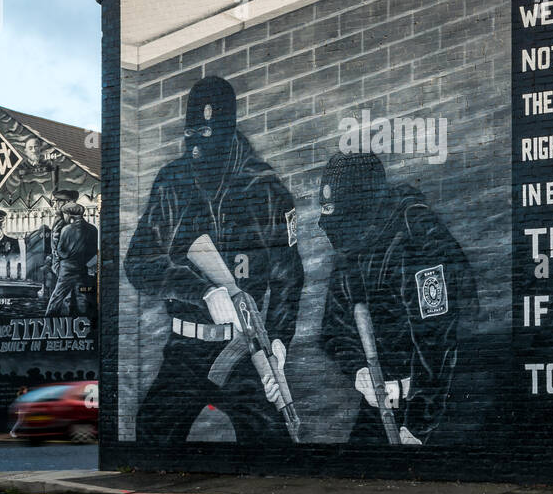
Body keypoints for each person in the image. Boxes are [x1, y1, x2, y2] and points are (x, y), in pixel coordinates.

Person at [125, 75, 303, 446]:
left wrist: (279, 341)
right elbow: (139, 263)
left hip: (243, 345)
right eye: (190, 134)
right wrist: (204, 292)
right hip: (185, 349)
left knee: (273, 440)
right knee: (151, 434)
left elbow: (288, 277)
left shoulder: (265, 189)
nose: (195, 147)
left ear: (227, 129)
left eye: (205, 135)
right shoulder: (172, 182)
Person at [316, 151, 475, 446]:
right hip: (384, 396)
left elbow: (438, 342)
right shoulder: (353, 246)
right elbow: (333, 329)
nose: (332, 231)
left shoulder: (418, 241)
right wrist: (359, 371)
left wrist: (417, 425)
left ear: (361, 209)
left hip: (438, 400)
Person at [45, 202, 98, 316]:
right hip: (84, 268)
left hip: (67, 269)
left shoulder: (66, 229)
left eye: (65, 214)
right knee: (82, 297)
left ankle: (48, 319)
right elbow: (94, 252)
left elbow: (61, 252)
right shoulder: (93, 229)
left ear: (69, 215)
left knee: (57, 297)